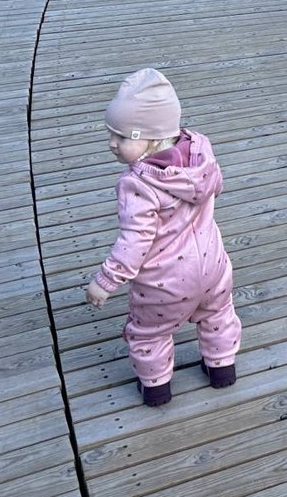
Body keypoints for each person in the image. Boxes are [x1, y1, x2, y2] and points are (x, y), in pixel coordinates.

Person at [85, 68, 242, 407]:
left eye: (123, 137)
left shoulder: (138, 185)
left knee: (148, 333)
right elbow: (217, 186)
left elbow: (134, 243)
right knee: (217, 314)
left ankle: (156, 388)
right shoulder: (201, 155)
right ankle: (221, 368)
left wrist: (105, 281)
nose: (112, 144)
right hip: (213, 266)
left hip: (165, 282)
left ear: (152, 139)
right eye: (111, 134)